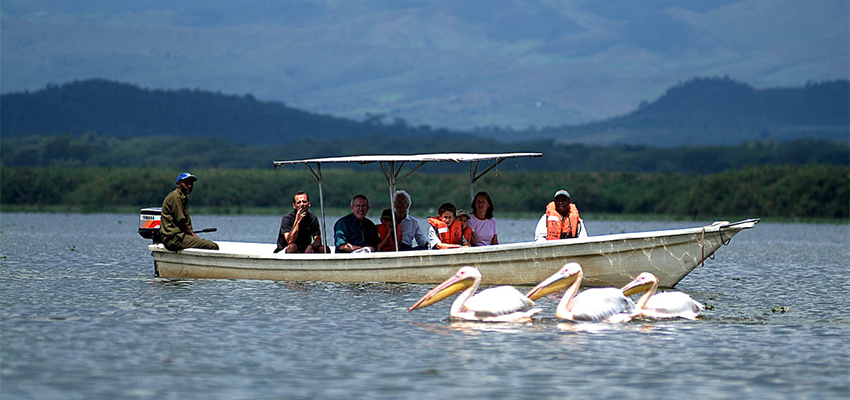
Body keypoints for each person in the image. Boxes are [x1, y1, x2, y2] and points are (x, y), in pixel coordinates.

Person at [159, 172, 219, 251]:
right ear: (178, 184)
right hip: (174, 239)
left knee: (204, 243)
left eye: (191, 183)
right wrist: (193, 235)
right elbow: (181, 222)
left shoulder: (181, 197)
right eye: (186, 183)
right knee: (213, 246)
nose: (189, 186)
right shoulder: (176, 197)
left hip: (178, 237)